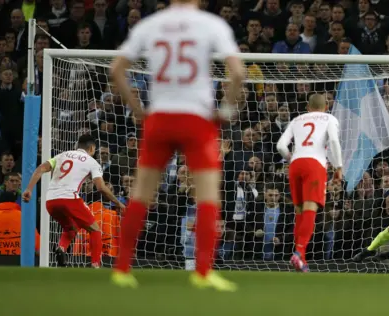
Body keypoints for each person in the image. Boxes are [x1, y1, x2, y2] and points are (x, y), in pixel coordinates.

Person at [109, 0, 245, 290]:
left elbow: (117, 69)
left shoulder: (151, 24)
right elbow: (237, 73)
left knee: (141, 194)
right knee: (209, 196)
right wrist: (226, 110)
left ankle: (121, 268)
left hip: (159, 118)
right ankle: (203, 272)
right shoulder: (212, 25)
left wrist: (136, 109)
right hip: (197, 120)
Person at [21, 134, 124, 268]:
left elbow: (40, 169)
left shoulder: (62, 155)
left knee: (72, 228)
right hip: (69, 199)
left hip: (51, 201)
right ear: (92, 148)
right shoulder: (92, 162)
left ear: (77, 146)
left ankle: (61, 248)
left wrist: (29, 189)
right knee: (95, 230)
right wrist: (118, 203)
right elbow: (101, 187)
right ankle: (95, 264)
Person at [276, 93, 343, 272]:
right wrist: (338, 166)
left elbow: (280, 146)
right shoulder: (329, 118)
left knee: (299, 210)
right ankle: (298, 252)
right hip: (315, 165)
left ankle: (302, 260)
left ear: (307, 107)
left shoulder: (297, 119)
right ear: (326, 106)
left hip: (296, 165)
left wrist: (291, 158)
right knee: (310, 209)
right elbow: (335, 141)